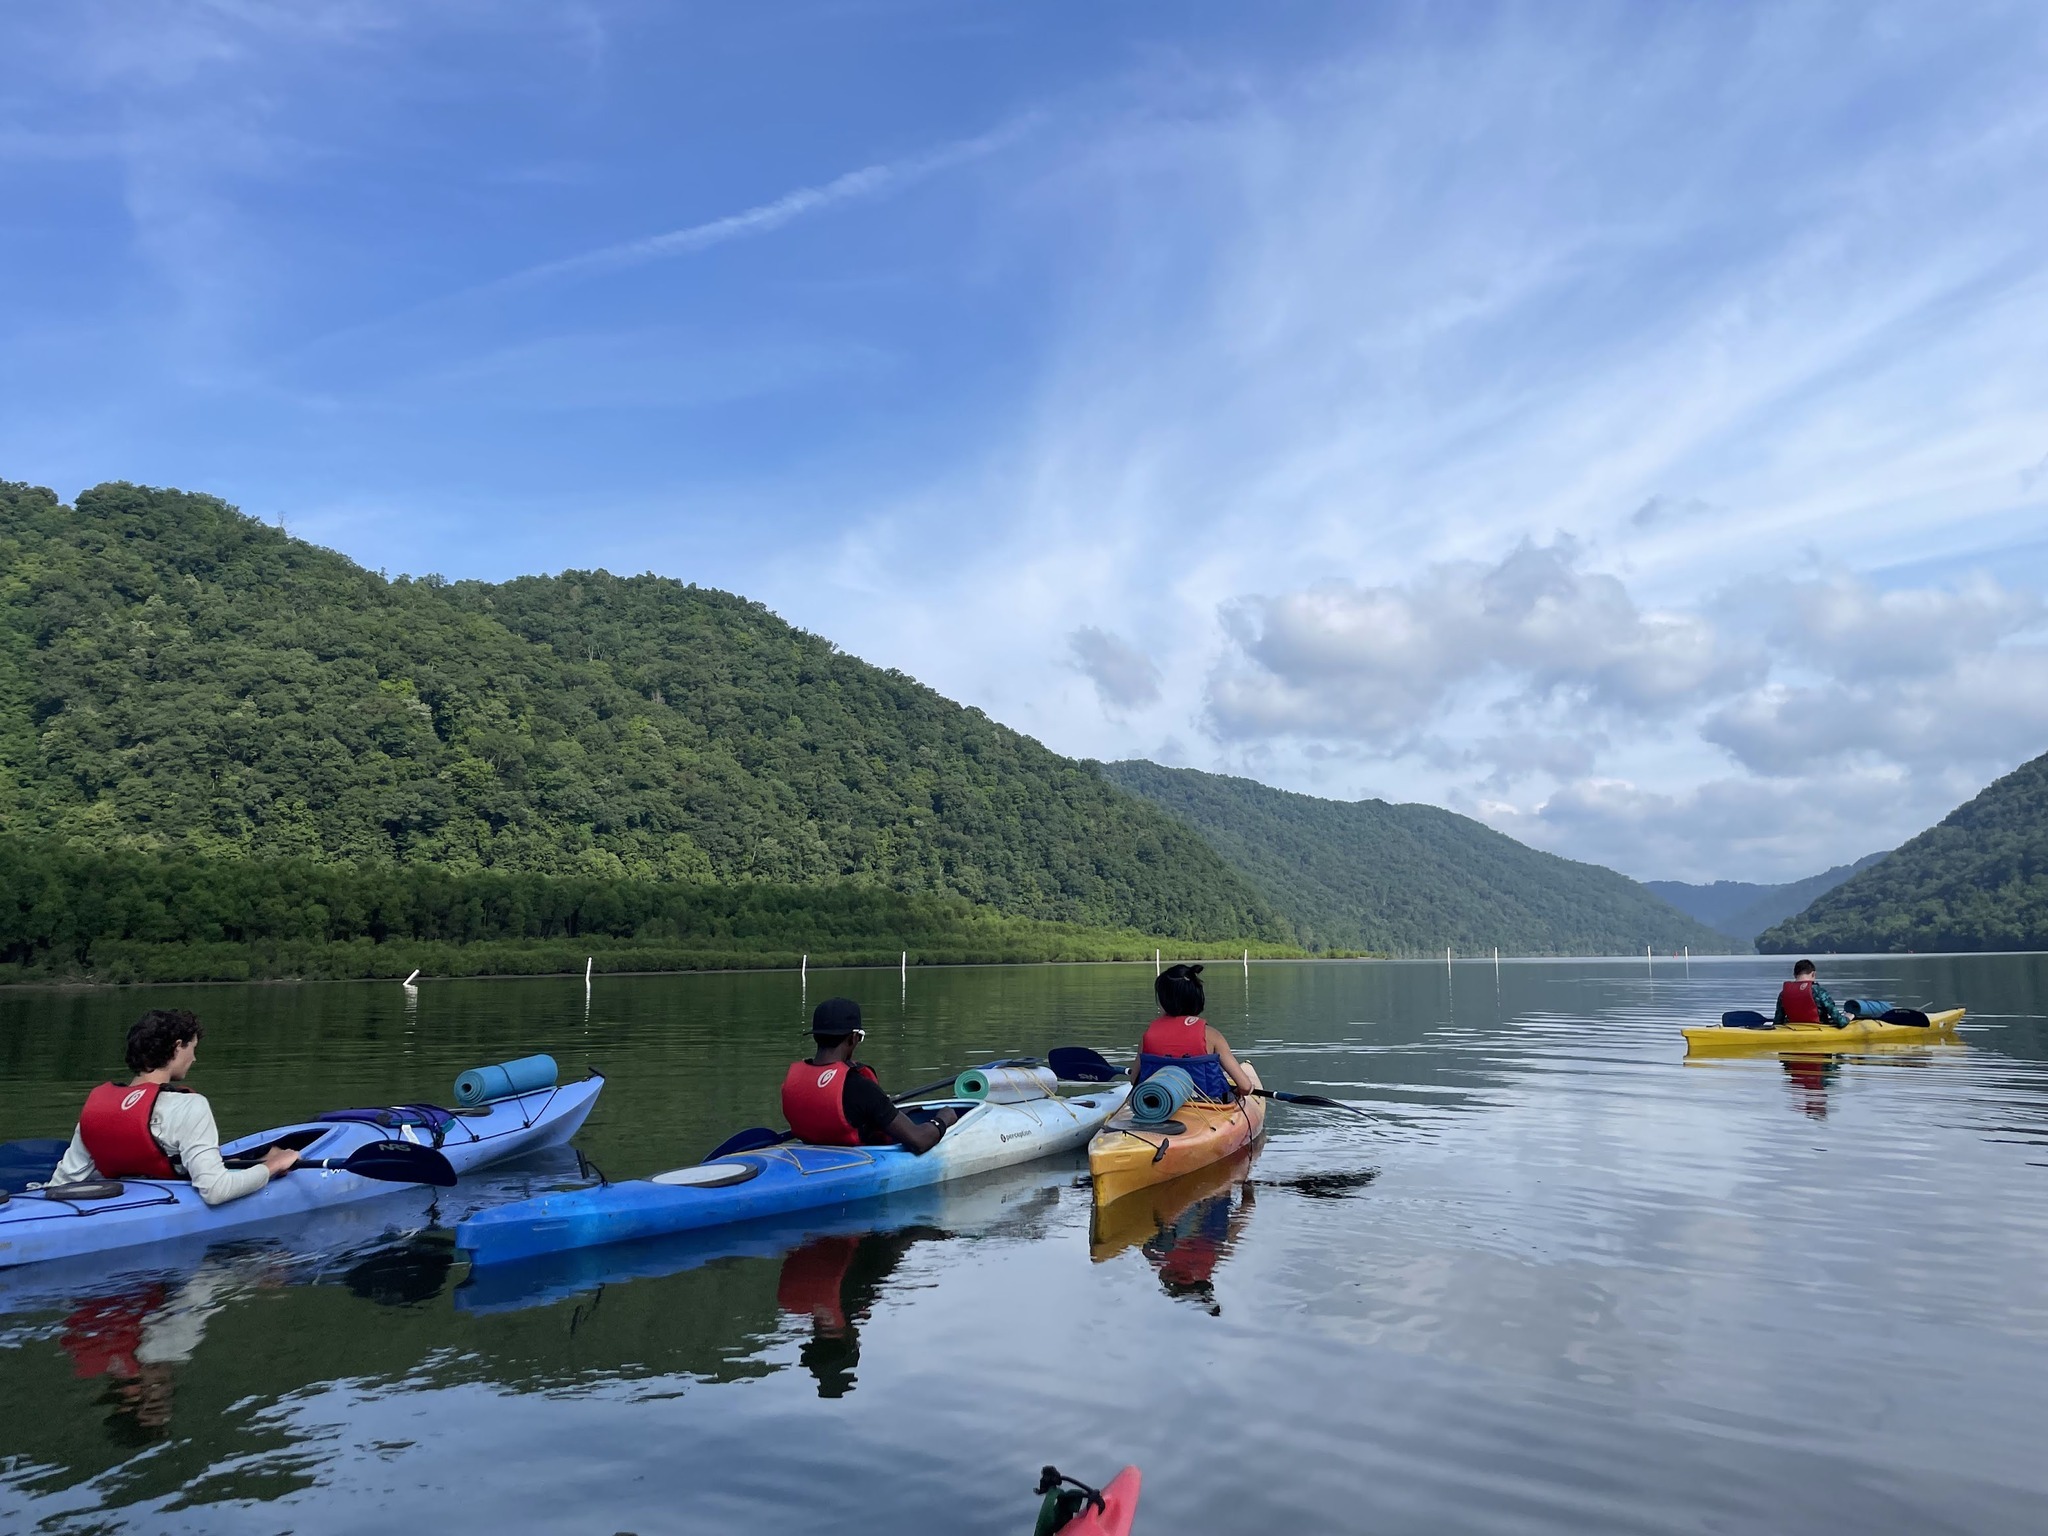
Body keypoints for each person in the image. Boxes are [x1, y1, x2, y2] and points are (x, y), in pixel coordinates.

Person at [50, 1009, 298, 1203]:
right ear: (178, 1046)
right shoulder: (189, 1106)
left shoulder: (99, 1106)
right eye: (192, 1048)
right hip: (167, 1206)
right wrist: (273, 1166)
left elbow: (61, 1184)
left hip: (112, 1203)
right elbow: (216, 1191)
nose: (194, 1058)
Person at [781, 998, 958, 1152]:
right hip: (854, 1161)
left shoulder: (792, 1082)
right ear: (853, 1038)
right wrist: (943, 1118)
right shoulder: (860, 1087)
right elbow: (919, 1141)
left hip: (807, 1156)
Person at [1135, 964, 1255, 1101]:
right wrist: (1238, 1091)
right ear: (1197, 998)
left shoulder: (1148, 1036)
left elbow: (1134, 1080)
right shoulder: (1212, 1035)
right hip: (1209, 1106)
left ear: (1163, 1001)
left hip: (1158, 1105)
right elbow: (1245, 1086)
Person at [1774, 959, 1850, 1030]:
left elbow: (1777, 1023)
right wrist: (1848, 1017)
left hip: (1792, 1029)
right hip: (1818, 1029)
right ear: (1813, 974)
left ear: (1794, 975)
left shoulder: (1783, 993)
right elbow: (1841, 1022)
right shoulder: (1819, 992)